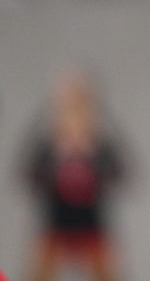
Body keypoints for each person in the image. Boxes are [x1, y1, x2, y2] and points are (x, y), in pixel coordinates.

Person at [21, 69, 126, 281]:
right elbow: (28, 173)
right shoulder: (49, 143)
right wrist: (58, 160)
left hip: (91, 222)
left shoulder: (99, 143)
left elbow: (120, 171)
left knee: (107, 273)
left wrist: (91, 157)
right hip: (56, 222)